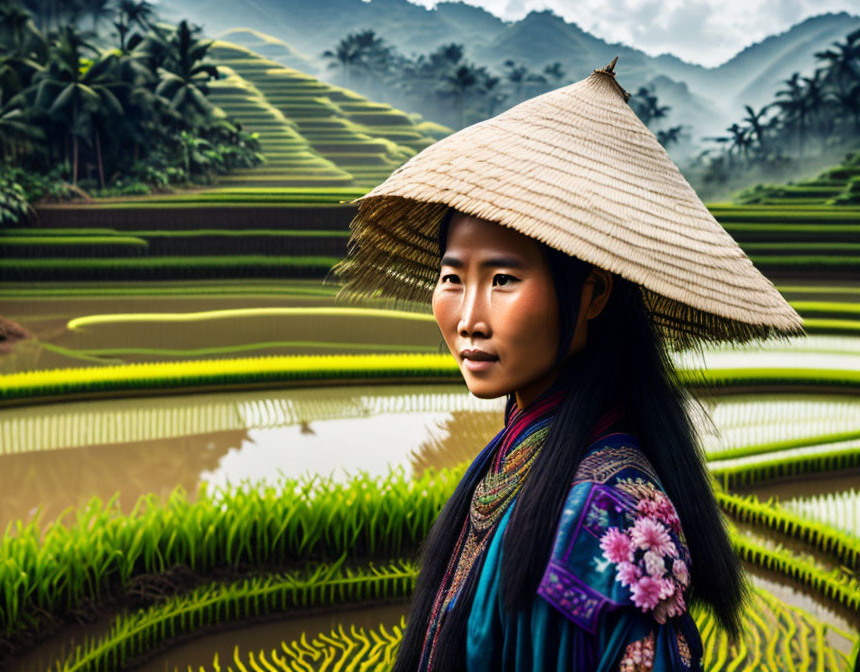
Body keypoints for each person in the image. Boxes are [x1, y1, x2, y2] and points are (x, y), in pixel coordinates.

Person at [332, 57, 804, 671]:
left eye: (503, 279)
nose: (470, 316)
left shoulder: (613, 513)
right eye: (453, 277)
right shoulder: (518, 455)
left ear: (593, 295)